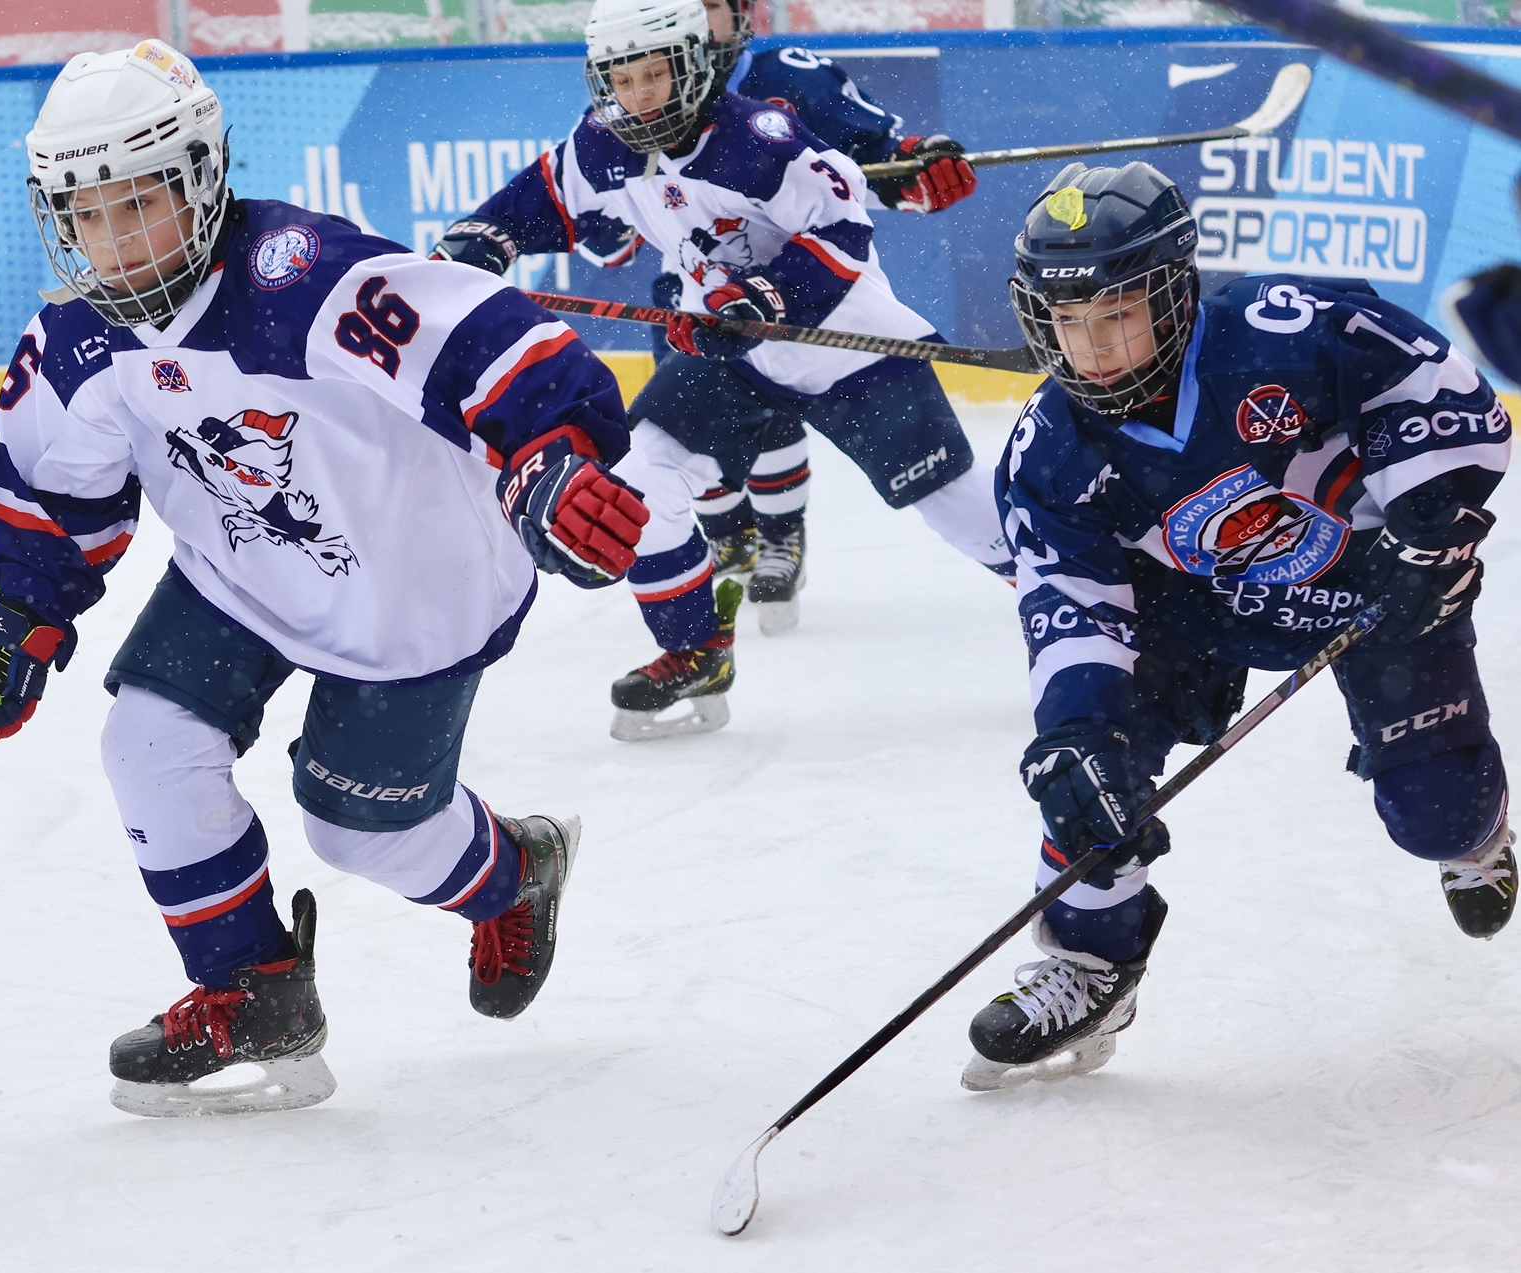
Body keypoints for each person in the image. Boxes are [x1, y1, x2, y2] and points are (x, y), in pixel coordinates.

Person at [0, 40, 647, 1116]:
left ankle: (514, 872)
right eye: (85, 215)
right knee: (146, 745)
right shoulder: (75, 341)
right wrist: (14, 619)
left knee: (359, 829)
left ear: (202, 177)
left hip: (410, 591)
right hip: (240, 572)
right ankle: (250, 990)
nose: (110, 244)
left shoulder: (297, 280)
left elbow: (490, 340)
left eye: (136, 206)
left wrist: (548, 452)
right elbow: (54, 497)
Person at [966, 161, 1514, 1092]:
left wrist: (1430, 531)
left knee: (1436, 817)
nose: (1092, 349)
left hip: (1375, 592)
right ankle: (1092, 962)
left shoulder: (1286, 330)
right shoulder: (1049, 452)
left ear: (1175, 292)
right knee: (1091, 773)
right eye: (1068, 323)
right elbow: (1071, 605)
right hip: (1193, 610)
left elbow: (1442, 396)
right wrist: (1075, 730)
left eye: (1117, 316)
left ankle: (1480, 840)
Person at [433, 0, 1012, 742]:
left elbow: (842, 232)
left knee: (956, 505)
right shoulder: (602, 144)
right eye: (622, 78)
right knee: (639, 476)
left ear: (695, 64)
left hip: (843, 343)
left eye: (655, 74)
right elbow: (542, 195)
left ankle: (1083, 602)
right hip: (727, 351)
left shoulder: (761, 138)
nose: (639, 96)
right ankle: (695, 647)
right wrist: (481, 238)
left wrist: (764, 297)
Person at [677, 0, 979, 618]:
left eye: (711, 6)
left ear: (740, 14)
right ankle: (728, 528)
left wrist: (921, 163)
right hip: (694, 292)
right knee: (686, 432)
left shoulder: (790, 74)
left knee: (777, 396)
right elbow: (602, 225)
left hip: (801, 286)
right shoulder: (642, 87)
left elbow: (886, 156)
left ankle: (780, 536)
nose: (699, 21)